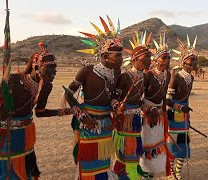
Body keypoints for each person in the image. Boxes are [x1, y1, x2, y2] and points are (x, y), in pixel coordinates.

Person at [0, 42, 71, 179]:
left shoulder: (46, 86)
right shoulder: (13, 80)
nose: (54, 71)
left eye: (55, 67)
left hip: (25, 134)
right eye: (50, 67)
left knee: (26, 170)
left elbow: (40, 112)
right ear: (37, 66)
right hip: (5, 135)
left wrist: (66, 111)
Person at [65, 16, 123, 179]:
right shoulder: (87, 71)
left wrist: (115, 106)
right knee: (89, 164)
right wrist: (82, 117)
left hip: (105, 123)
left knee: (104, 163)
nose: (121, 58)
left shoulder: (117, 72)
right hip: (88, 123)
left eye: (121, 54)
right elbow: (68, 94)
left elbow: (112, 96)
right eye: (117, 55)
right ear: (105, 56)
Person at [112, 31, 153, 180]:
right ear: (135, 59)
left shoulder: (144, 76)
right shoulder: (125, 77)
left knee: (135, 150)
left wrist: (144, 107)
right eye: (145, 57)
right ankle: (125, 175)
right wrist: (117, 106)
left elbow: (139, 100)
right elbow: (113, 98)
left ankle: (127, 173)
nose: (149, 60)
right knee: (127, 152)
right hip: (124, 120)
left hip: (135, 119)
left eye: (150, 57)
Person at [139, 33, 171, 179]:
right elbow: (139, 97)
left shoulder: (168, 75)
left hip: (159, 116)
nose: (167, 60)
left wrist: (164, 114)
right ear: (156, 59)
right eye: (164, 57)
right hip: (147, 116)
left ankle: (150, 175)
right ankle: (144, 174)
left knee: (156, 146)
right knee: (147, 145)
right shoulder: (148, 74)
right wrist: (146, 110)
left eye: (169, 57)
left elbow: (164, 97)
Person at [165, 35, 198, 180]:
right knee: (174, 145)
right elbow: (167, 100)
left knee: (184, 144)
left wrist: (186, 111)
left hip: (184, 115)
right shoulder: (176, 77)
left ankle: (178, 171)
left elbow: (187, 98)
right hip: (174, 115)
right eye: (190, 63)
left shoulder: (191, 78)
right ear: (183, 63)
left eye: (194, 62)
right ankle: (171, 172)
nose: (192, 65)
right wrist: (179, 107)